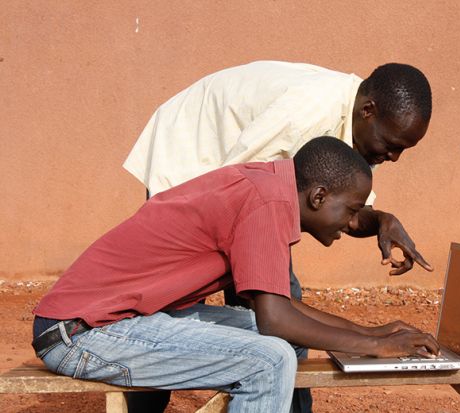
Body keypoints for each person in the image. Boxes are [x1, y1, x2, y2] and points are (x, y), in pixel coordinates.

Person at [32, 137, 440, 413]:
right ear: (318, 196)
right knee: (271, 358)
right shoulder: (265, 203)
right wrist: (376, 348)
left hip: (126, 320)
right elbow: (276, 320)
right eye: (351, 210)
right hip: (81, 333)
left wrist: (374, 334)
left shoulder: (270, 191)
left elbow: (282, 312)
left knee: (282, 341)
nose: (353, 223)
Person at [123, 60, 435, 412]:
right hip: (189, 163)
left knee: (277, 306)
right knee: (169, 311)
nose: (394, 157)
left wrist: (380, 220)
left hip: (236, 186)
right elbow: (237, 187)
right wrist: (372, 341)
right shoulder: (307, 114)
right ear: (368, 111)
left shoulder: (362, 128)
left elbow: (343, 211)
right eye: (392, 144)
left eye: (403, 150)